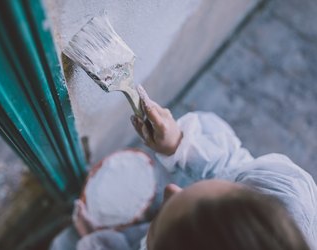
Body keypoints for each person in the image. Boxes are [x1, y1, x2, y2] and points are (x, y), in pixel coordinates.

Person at [50, 86, 316, 250]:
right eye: (205, 188)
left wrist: (94, 241)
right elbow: (230, 164)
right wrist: (180, 145)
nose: (170, 190)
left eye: (154, 235)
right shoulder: (284, 198)